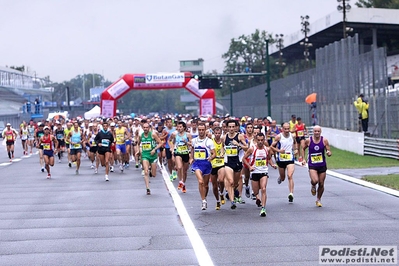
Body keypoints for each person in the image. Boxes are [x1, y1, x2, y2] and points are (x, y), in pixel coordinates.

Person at [243, 133, 276, 217]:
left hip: (264, 171)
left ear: (264, 140)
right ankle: (257, 196)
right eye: (259, 140)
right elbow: (244, 158)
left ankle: (263, 208)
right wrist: (250, 167)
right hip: (254, 172)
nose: (260, 142)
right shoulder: (252, 149)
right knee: (256, 191)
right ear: (256, 140)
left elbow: (268, 158)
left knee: (264, 188)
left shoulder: (267, 149)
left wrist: (272, 164)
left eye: (262, 140)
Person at [301, 125, 332, 207]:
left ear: (320, 132)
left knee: (321, 184)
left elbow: (328, 150)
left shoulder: (324, 140)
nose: (317, 133)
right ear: (313, 132)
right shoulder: (309, 140)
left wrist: (329, 153)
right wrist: (303, 159)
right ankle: (313, 185)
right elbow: (303, 148)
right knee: (315, 180)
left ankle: (318, 199)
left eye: (318, 131)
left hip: (322, 165)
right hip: (312, 165)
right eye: (315, 131)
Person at [222, 119, 248, 209]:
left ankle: (235, 191)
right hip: (228, 162)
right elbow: (223, 147)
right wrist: (222, 153)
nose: (231, 128)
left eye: (233, 127)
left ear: (236, 127)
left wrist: (238, 145)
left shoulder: (240, 136)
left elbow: (247, 148)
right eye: (230, 127)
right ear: (227, 128)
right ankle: (232, 201)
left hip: (237, 161)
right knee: (231, 181)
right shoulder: (224, 137)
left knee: (236, 183)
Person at [190, 122, 216, 210]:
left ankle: (204, 197)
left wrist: (211, 157)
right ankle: (203, 201)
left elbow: (214, 153)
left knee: (206, 185)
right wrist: (191, 158)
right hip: (197, 164)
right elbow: (192, 150)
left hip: (206, 164)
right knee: (200, 182)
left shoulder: (209, 141)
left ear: (205, 130)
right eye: (199, 130)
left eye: (202, 130)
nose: (201, 131)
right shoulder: (194, 141)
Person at [271, 122, 297, 203]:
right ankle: (280, 178)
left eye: (288, 129)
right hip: (281, 159)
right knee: (283, 178)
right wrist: (279, 151)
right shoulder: (278, 137)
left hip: (290, 158)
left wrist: (295, 149)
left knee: (290, 175)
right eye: (285, 129)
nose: (286, 130)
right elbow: (271, 146)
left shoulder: (292, 136)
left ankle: (291, 193)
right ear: (282, 129)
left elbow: (295, 143)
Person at [136, 122, 163, 195]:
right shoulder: (141, 136)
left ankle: (151, 171)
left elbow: (160, 143)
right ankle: (147, 188)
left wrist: (154, 149)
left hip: (153, 155)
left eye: (147, 127)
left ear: (149, 128)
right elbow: (138, 144)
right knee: (145, 171)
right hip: (145, 155)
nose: (145, 129)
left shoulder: (153, 134)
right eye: (144, 127)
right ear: (142, 128)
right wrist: (138, 150)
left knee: (154, 175)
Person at [169, 121, 192, 193]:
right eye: (178, 127)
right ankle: (180, 181)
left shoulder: (188, 135)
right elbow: (170, 141)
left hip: (186, 153)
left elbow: (191, 144)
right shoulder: (174, 134)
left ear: (184, 128)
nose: (179, 128)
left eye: (180, 127)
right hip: (178, 152)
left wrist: (186, 142)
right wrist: (172, 148)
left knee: (185, 171)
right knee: (179, 167)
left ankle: (183, 183)